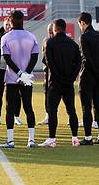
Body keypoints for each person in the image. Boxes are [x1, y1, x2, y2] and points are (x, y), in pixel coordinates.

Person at [0, 10, 39, 149]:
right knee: (28, 107)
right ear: (23, 20)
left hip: (12, 78)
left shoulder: (5, 38)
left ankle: (10, 141)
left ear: (10, 21)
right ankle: (31, 140)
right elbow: (35, 57)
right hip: (27, 78)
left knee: (10, 109)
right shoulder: (31, 36)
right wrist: (26, 73)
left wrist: (19, 73)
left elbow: (7, 58)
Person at [39, 19, 81, 148]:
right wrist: (71, 78)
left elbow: (49, 63)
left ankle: (52, 139)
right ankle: (75, 138)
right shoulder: (72, 44)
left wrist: (58, 77)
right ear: (65, 28)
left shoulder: (50, 43)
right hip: (68, 83)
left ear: (55, 29)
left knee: (52, 111)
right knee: (71, 110)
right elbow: (78, 63)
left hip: (55, 83)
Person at [77, 12, 99, 145]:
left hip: (88, 76)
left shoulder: (84, 37)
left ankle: (88, 137)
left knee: (86, 107)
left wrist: (95, 72)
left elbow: (86, 58)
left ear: (83, 23)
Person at [0, 17, 22, 126]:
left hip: (12, 70)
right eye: (6, 24)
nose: (8, 26)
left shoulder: (17, 37)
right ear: (3, 25)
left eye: (10, 24)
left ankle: (16, 117)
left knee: (16, 95)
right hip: (0, 69)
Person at [38, 22, 56, 126]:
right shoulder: (46, 41)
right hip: (47, 72)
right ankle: (48, 115)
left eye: (51, 31)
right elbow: (44, 58)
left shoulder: (60, 41)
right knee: (47, 94)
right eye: (49, 31)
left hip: (58, 73)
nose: (50, 33)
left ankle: (69, 116)